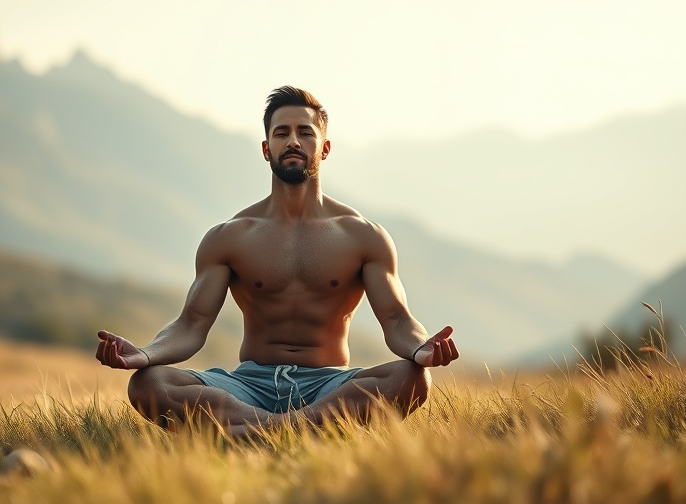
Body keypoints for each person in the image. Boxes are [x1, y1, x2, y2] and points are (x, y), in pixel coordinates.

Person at [95, 85, 459, 435]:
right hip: (248, 385)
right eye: (282, 133)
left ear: (325, 147)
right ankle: (306, 431)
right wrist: (145, 354)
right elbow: (191, 323)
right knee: (149, 383)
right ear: (267, 148)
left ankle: (250, 431)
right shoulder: (230, 236)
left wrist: (420, 348)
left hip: (329, 383)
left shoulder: (363, 235)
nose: (294, 141)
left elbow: (397, 319)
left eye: (305, 132)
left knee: (411, 378)